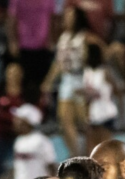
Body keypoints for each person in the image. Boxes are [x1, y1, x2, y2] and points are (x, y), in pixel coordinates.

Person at [42, 5, 91, 157]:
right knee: (64, 120)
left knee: (84, 121)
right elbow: (58, 63)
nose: (67, 19)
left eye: (70, 16)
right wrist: (48, 82)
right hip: (67, 79)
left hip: (81, 78)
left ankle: (88, 153)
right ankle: (76, 154)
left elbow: (96, 56)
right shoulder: (63, 37)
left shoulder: (85, 37)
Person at [6, 0, 57, 103]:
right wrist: (13, 41)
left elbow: (53, 19)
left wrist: (52, 40)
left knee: (42, 80)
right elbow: (11, 20)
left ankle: (41, 108)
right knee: (24, 80)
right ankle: (23, 107)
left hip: (43, 46)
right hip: (24, 45)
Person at [83, 42, 119, 151]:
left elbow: (117, 91)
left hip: (106, 113)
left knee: (104, 148)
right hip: (93, 114)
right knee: (91, 149)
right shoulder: (87, 72)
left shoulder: (105, 72)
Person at [0, 63, 25, 179]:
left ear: (21, 75)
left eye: (15, 73)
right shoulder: (0, 89)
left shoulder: (26, 91)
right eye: (10, 73)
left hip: (19, 134)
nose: (12, 76)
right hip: (1, 133)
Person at [11, 104, 57, 179]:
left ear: (28, 122)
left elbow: (51, 165)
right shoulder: (18, 140)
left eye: (19, 119)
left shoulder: (41, 140)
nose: (14, 121)